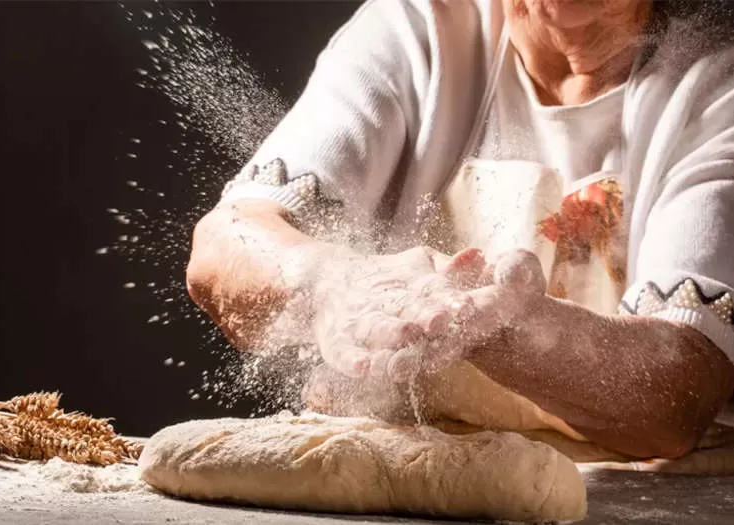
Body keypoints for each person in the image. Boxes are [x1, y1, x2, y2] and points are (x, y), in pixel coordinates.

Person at [186, 0, 734, 460]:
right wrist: (333, 282)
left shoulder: (714, 83)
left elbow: (677, 392)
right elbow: (227, 242)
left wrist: (501, 323)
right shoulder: (420, 27)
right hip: (396, 482)